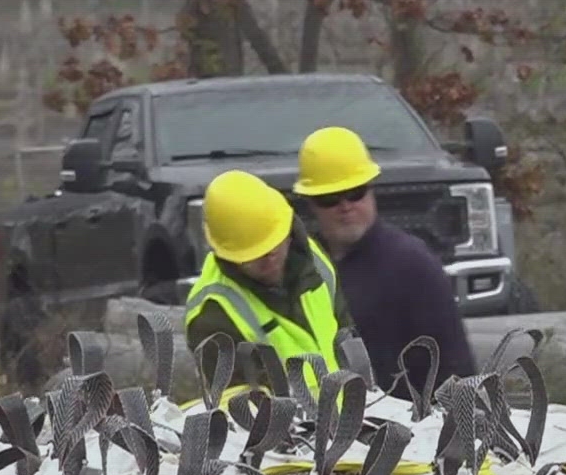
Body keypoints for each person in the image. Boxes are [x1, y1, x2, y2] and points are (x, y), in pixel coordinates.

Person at [293, 125, 476, 398]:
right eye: (329, 199)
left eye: (355, 193)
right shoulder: (303, 269)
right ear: (311, 204)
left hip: (409, 428)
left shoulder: (411, 265)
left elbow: (455, 366)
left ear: (371, 191)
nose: (345, 206)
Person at [184, 168, 351, 388]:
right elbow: (242, 408)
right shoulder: (211, 315)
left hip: (350, 413)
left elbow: (346, 339)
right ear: (228, 255)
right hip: (287, 422)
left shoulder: (313, 259)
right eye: (255, 255)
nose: (269, 258)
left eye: (274, 245)